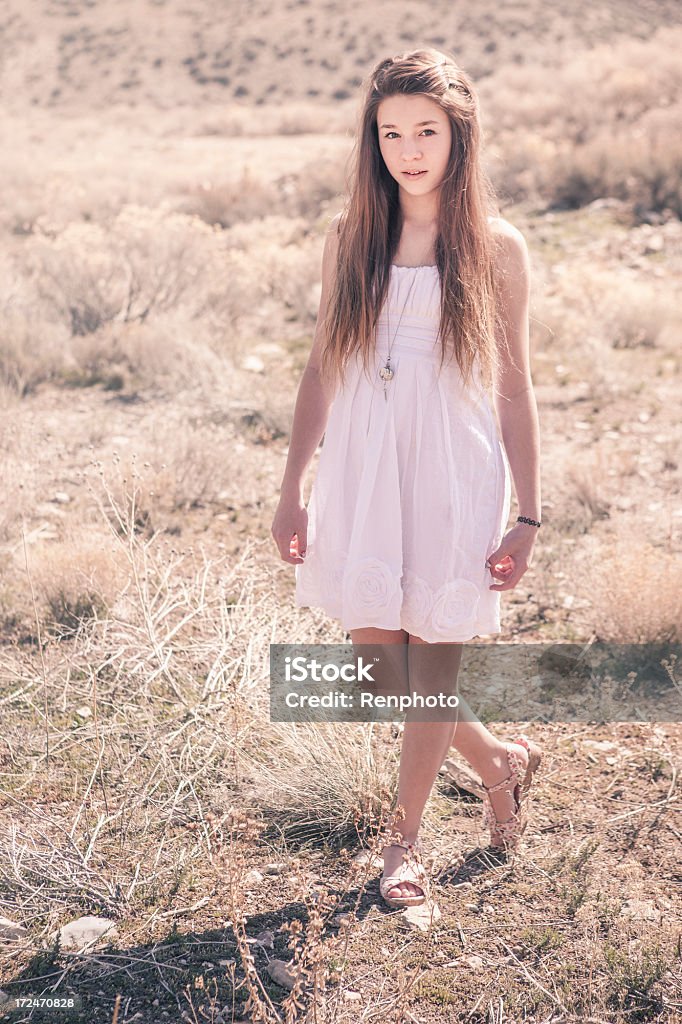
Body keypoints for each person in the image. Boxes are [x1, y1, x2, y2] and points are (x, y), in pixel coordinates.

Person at [271, 48, 543, 908]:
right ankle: (499, 761)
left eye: (426, 130)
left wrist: (528, 516)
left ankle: (402, 845)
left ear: (459, 135)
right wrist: (292, 486)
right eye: (391, 133)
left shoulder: (495, 247)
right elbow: (321, 369)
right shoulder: (350, 238)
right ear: (374, 140)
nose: (409, 150)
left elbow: (514, 383)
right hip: (362, 463)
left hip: (454, 467)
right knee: (381, 667)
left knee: (432, 663)